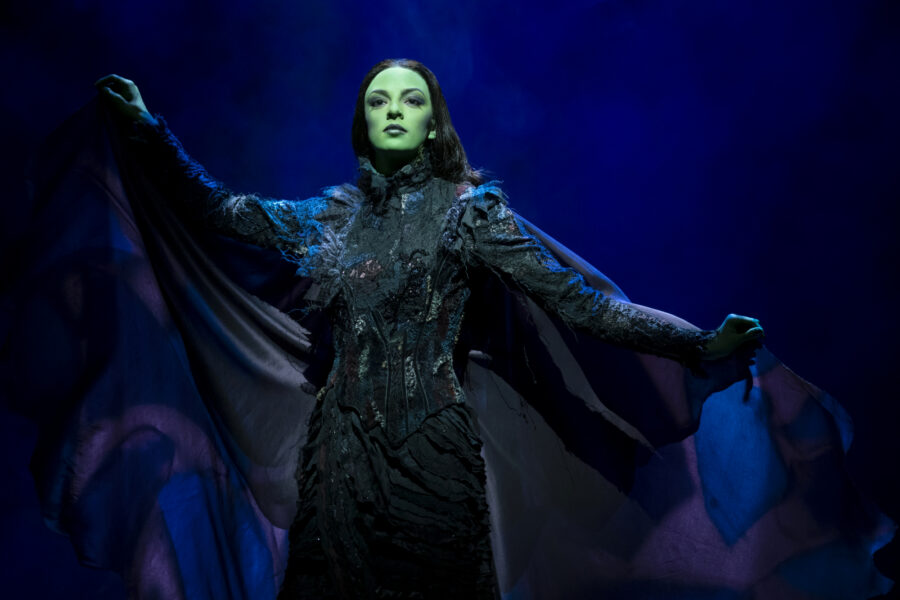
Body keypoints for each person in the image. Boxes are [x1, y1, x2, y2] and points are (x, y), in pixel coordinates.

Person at [91, 59, 766, 598]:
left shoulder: (470, 214)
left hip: (433, 456)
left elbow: (582, 304)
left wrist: (697, 343)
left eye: (410, 100)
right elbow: (218, 210)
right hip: (339, 460)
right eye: (378, 101)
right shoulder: (332, 216)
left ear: (434, 125)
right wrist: (147, 128)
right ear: (362, 124)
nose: (393, 110)